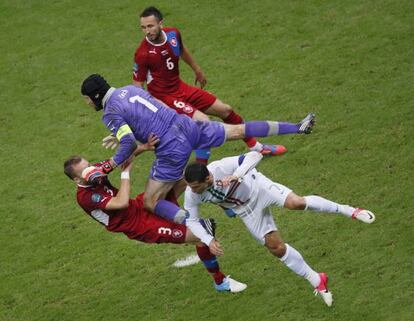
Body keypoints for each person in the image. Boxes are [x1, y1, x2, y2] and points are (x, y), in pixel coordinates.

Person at [80, 73, 315, 225]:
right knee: (238, 130)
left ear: (96, 95)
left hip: (171, 147)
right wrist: (119, 133)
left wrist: (109, 165)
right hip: (185, 124)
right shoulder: (129, 90)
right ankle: (297, 126)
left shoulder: (110, 112)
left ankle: (195, 224)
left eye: (88, 99)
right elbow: (154, 106)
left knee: (151, 201)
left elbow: (128, 142)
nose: (88, 103)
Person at [183, 151, 376, 307]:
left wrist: (236, 175)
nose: (192, 190)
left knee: (297, 203)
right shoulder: (192, 195)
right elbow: (191, 221)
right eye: (191, 186)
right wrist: (209, 240)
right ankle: (317, 279)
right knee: (276, 248)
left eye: (196, 186)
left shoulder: (221, 167)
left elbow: (255, 155)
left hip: (259, 187)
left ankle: (349, 210)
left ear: (208, 177)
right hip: (246, 210)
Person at [63, 152, 247, 293]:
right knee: (201, 234)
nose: (93, 170)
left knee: (184, 178)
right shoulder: (85, 197)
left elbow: (123, 154)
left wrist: (144, 144)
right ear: (78, 179)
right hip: (139, 226)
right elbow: (121, 202)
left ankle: (222, 200)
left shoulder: (95, 172)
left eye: (90, 165)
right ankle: (220, 282)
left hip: (140, 205)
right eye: (86, 170)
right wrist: (125, 173)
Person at [132, 6, 286, 162]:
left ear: (160, 24)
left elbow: (181, 50)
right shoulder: (143, 53)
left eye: (150, 26)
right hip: (165, 97)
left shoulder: (173, 33)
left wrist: (197, 69)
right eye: (143, 27)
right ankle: (201, 172)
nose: (147, 31)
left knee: (225, 110)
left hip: (180, 87)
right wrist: (156, 107)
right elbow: (138, 88)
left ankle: (258, 148)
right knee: (204, 123)